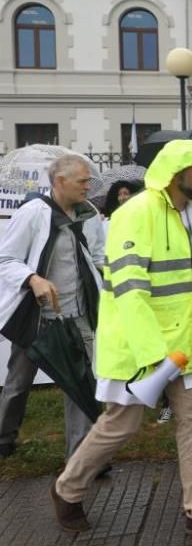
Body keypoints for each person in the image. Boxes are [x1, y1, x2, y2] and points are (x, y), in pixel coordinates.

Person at [51, 139, 192, 536]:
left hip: (186, 346)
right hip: (141, 348)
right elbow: (130, 290)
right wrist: (154, 356)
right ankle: (68, 489)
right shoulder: (136, 213)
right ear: (176, 172)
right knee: (120, 426)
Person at [0, 154, 105, 461]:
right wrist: (32, 279)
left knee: (81, 386)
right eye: (82, 181)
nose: (88, 186)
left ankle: (82, 459)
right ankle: (4, 438)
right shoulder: (32, 213)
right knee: (18, 384)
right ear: (61, 182)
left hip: (78, 315)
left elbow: (97, 256)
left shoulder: (89, 214)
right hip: (37, 319)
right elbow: (6, 259)